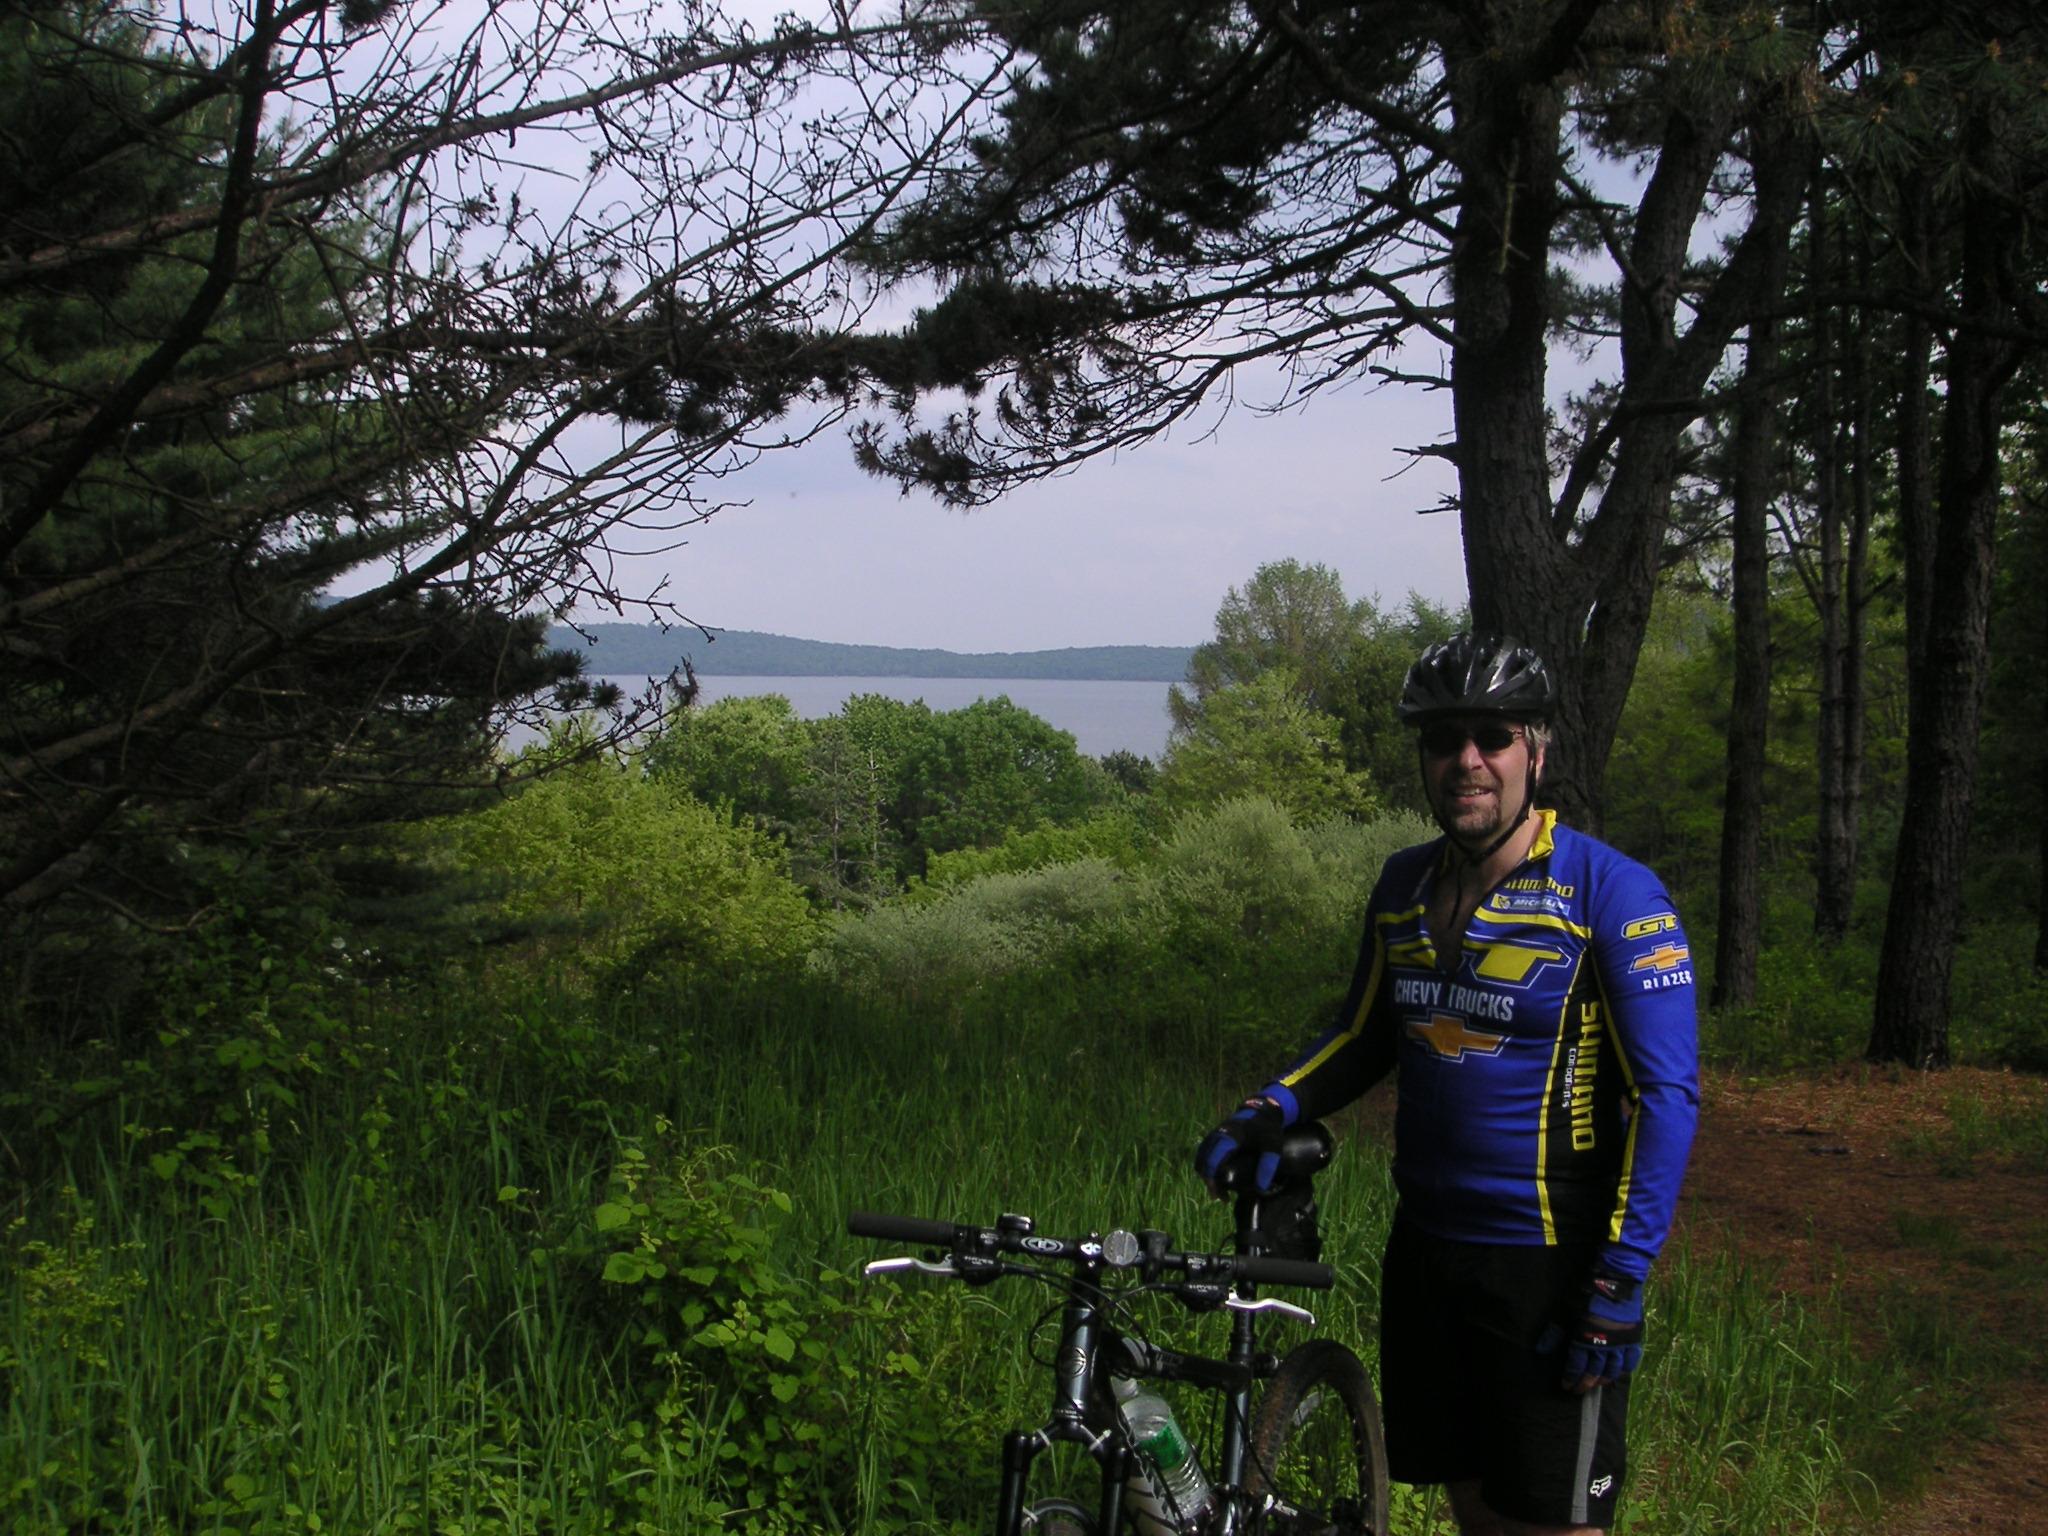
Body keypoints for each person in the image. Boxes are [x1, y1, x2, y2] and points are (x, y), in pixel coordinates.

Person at [1195, 633, 1698, 1536]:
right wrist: (1269, 1106)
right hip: (1425, 1252)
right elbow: (1362, 1033)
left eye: (1491, 736)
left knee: (1552, 1521)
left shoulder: (1613, 896)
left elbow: (1666, 1099)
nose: (1466, 760)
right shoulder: (1402, 884)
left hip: (1549, 1262)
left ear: (1536, 751)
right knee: (1471, 1504)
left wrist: (1621, 1280)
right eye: (1441, 739)